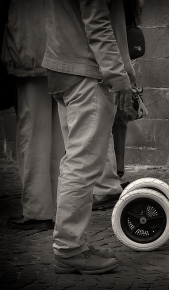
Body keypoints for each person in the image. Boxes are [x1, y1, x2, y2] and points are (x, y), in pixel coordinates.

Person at [42, 0, 135, 274]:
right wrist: (118, 76)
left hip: (64, 64)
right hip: (85, 69)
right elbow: (97, 22)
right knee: (83, 163)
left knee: (76, 160)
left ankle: (73, 244)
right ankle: (69, 249)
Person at [3, 0, 65, 231]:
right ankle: (56, 206)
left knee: (32, 134)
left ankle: (38, 211)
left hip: (30, 51)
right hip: (61, 53)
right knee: (58, 135)